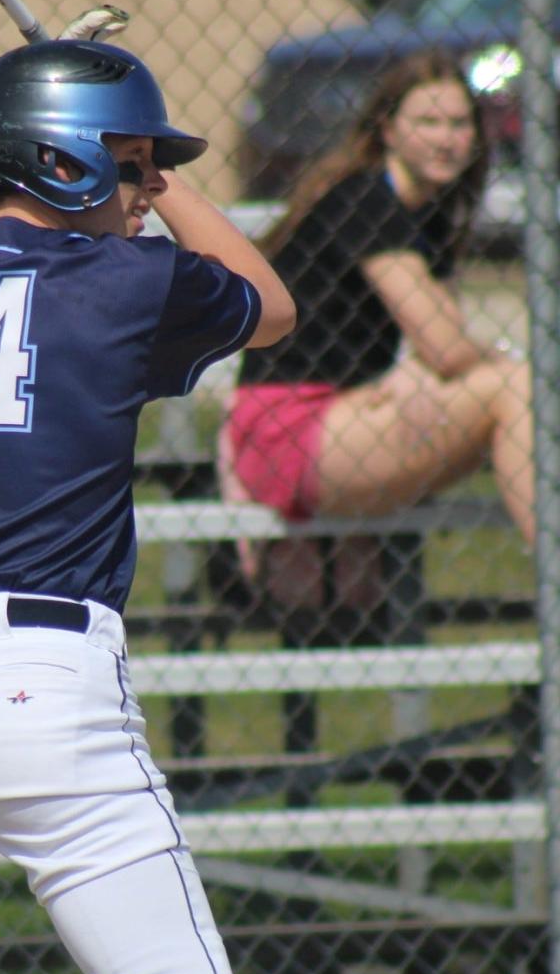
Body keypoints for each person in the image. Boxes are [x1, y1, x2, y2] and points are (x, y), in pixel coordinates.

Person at [0, 35, 295, 974]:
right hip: (48, 691)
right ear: (60, 159)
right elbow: (274, 305)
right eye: (133, 164)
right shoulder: (130, 282)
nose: (147, 186)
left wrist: (3, 135)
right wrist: (163, 197)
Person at [220, 48, 534, 594]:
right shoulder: (368, 199)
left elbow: (440, 348)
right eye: (427, 122)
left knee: (516, 391)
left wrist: (413, 374)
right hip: (287, 431)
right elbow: (447, 347)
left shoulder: (425, 210)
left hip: (349, 415)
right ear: (388, 130)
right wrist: (491, 357)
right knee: (517, 388)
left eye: (459, 123)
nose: (446, 138)